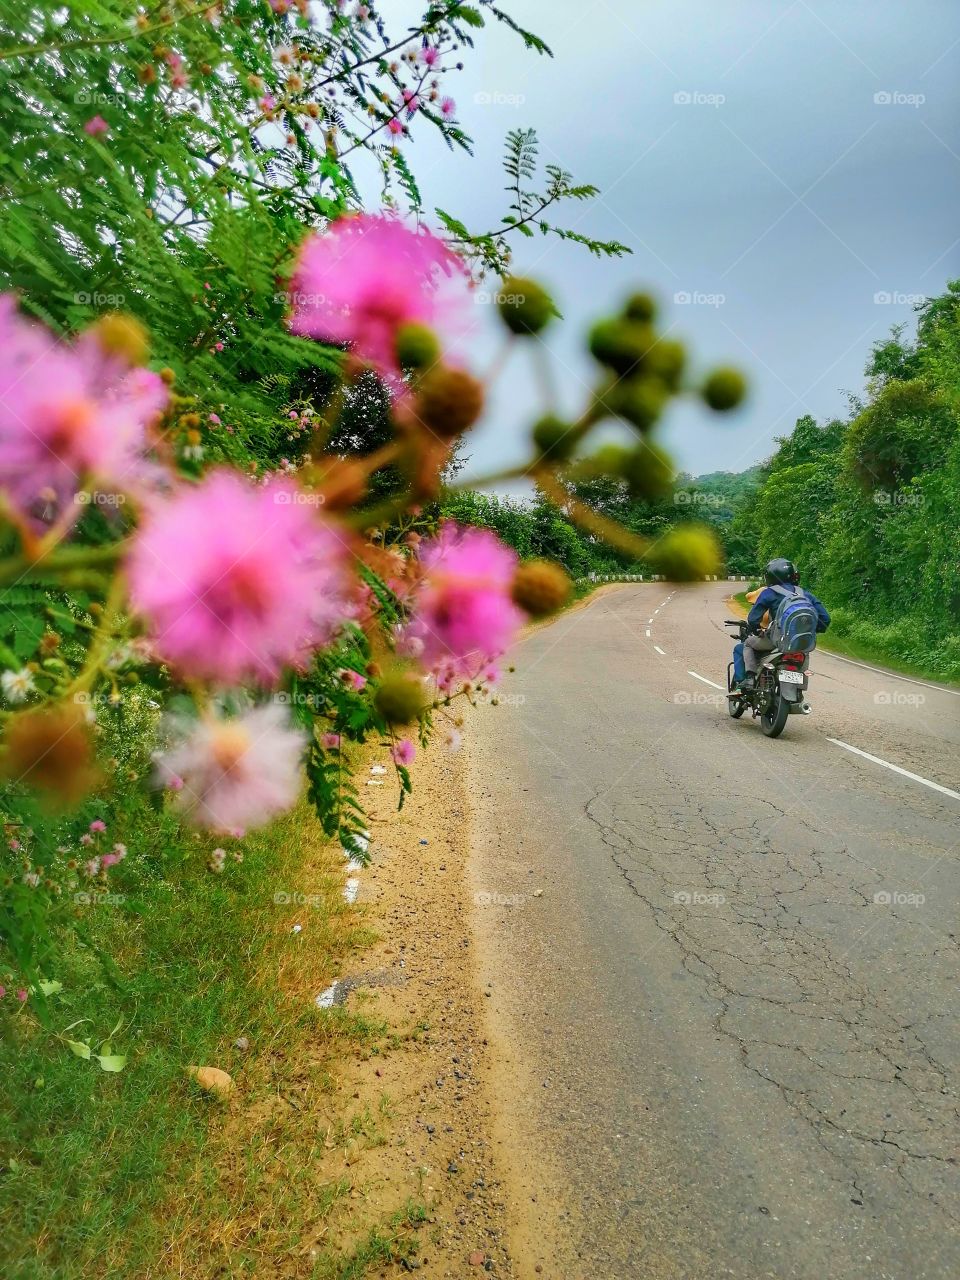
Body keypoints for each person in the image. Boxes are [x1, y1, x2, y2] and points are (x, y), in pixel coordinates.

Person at [733, 558, 830, 692]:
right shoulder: (805, 593)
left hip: (776, 640)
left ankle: (750, 677)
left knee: (748, 644)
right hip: (801, 642)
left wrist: (756, 630)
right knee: (804, 653)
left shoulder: (769, 592)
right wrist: (812, 630)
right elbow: (825, 618)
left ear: (770, 576)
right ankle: (799, 690)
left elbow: (753, 618)